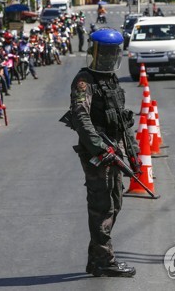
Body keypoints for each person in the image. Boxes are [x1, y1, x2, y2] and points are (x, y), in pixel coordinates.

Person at [68, 28, 138, 278]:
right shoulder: (84, 80)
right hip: (98, 154)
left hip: (115, 151)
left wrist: (133, 154)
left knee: (115, 203)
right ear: (95, 52)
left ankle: (96, 258)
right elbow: (81, 117)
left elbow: (122, 120)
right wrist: (100, 147)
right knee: (102, 206)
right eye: (105, 53)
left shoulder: (111, 79)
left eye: (113, 53)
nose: (109, 58)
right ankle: (105, 260)